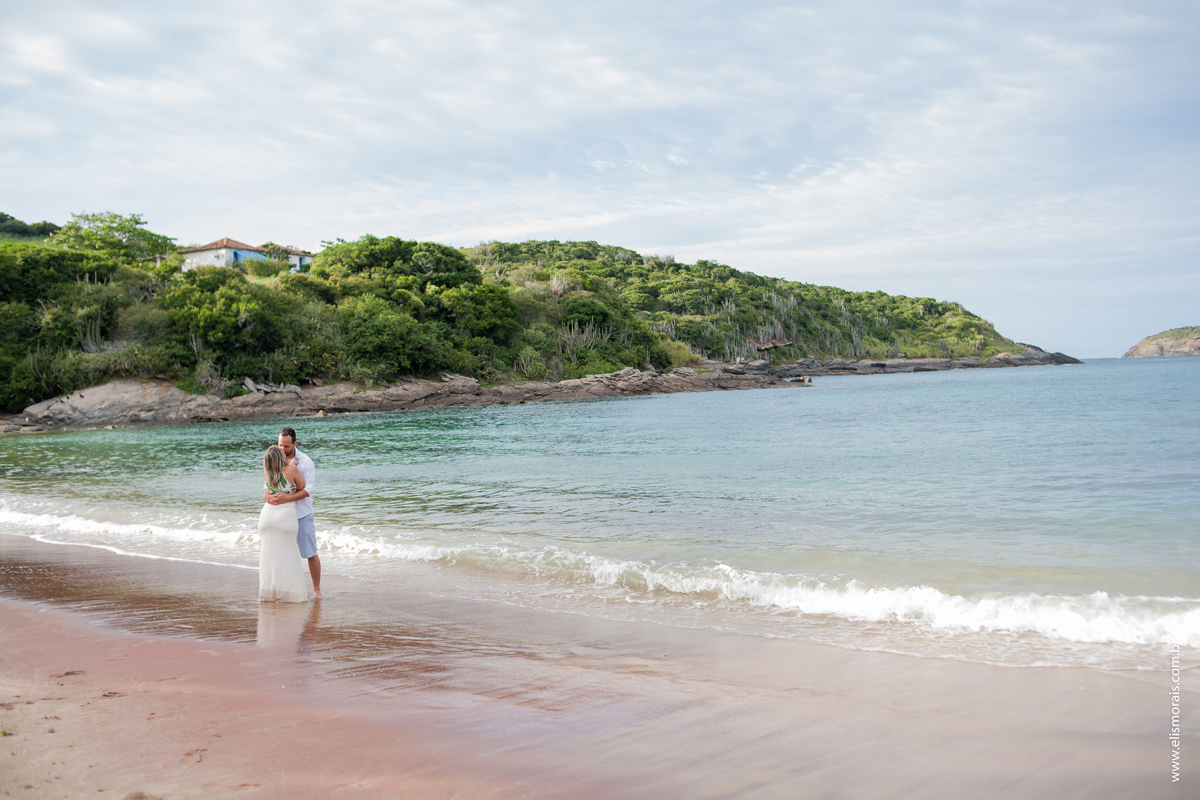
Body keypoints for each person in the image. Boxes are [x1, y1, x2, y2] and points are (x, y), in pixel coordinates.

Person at [264, 427, 323, 600]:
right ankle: (283, 588)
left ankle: (316, 590)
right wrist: (269, 498)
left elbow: (309, 489)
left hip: (301, 513)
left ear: (295, 443)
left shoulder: (305, 462)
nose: (282, 449)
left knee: (310, 552)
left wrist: (287, 499)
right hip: (281, 516)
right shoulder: (274, 459)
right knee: (281, 554)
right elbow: (266, 486)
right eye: (280, 445)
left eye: (286, 446)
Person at [258, 445, 308, 603]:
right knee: (288, 557)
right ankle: (291, 595)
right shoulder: (291, 469)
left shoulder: (267, 472)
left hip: (266, 516)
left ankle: (270, 594)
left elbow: (266, 492)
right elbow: (302, 486)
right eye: (281, 451)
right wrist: (294, 466)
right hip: (284, 516)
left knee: (269, 557)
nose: (283, 451)